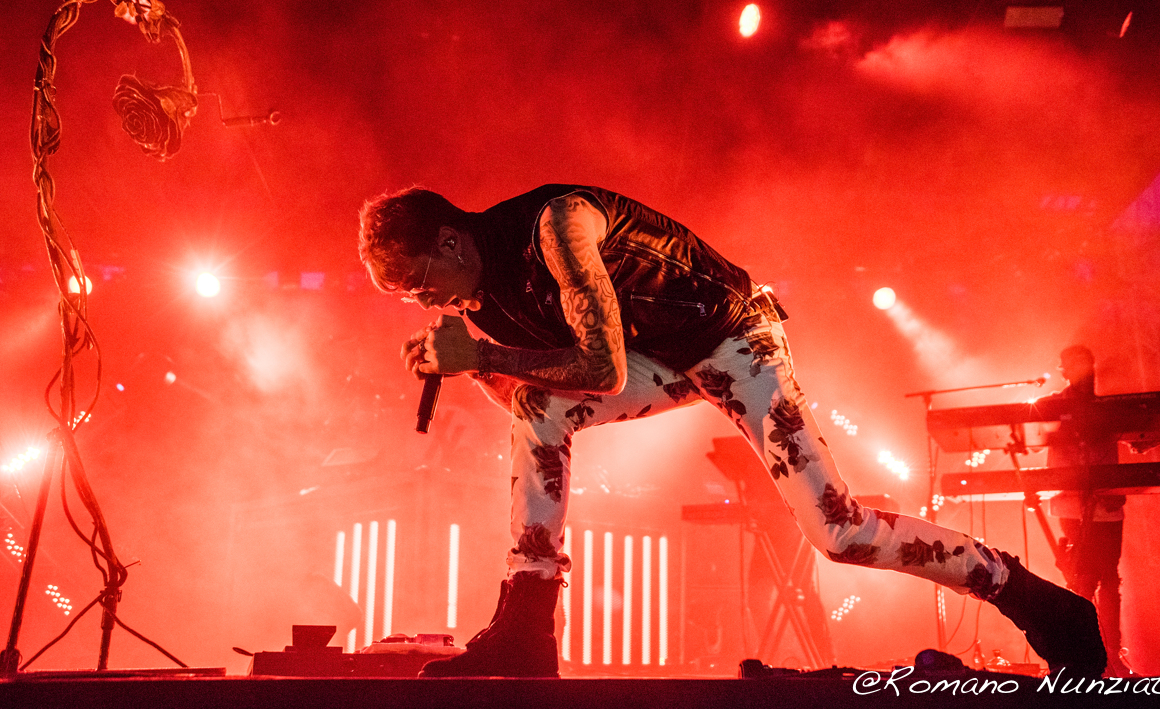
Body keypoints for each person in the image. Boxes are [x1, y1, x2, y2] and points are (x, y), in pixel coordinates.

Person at [357, 184, 1106, 678]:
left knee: (838, 534)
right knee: (536, 412)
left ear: (449, 242)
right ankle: (528, 623)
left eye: (419, 284)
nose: (424, 301)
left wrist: (483, 355)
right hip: (665, 359)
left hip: (737, 340)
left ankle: (1037, 600)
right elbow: (536, 401)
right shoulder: (482, 298)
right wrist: (474, 368)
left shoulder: (557, 225)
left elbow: (603, 370)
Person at [1046, 345, 1125, 661]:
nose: (1083, 371)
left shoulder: (1107, 406)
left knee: (1110, 577)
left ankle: (1113, 652)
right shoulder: (1052, 405)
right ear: (1065, 371)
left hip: (1107, 502)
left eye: (1086, 364)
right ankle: (1085, 652)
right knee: (1083, 578)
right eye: (1076, 365)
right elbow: (1030, 436)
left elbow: (1140, 435)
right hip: (1071, 501)